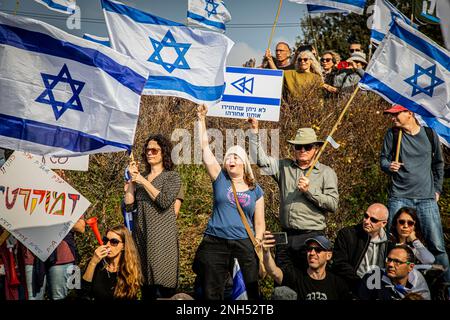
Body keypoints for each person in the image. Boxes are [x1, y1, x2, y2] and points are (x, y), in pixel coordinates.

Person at [193, 104, 265, 300]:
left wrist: (257, 241)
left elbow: (259, 222)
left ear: (243, 162)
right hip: (215, 240)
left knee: (251, 290)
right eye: (227, 157)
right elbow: (205, 147)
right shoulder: (220, 179)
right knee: (212, 292)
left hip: (244, 242)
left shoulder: (255, 189)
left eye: (235, 156)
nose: (230, 159)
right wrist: (201, 119)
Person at [248, 121, 338, 271]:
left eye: (307, 147)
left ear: (315, 149)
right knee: (283, 280)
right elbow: (260, 160)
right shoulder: (284, 166)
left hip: (312, 238)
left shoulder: (326, 172)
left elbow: (333, 204)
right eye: (298, 146)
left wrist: (309, 192)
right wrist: (254, 132)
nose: (302, 150)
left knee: (307, 281)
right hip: (285, 236)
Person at [380, 104, 450, 291]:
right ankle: (386, 287)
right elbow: (383, 160)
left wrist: (437, 190)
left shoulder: (429, 134)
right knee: (390, 241)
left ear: (409, 113)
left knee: (437, 246)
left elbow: (438, 164)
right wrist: (389, 166)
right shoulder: (393, 134)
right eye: (391, 115)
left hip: (427, 198)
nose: (392, 118)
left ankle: (445, 288)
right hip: (399, 196)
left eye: (396, 114)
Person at [125, 134, 182, 299]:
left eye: (154, 150)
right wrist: (132, 180)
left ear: (163, 153)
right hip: (142, 238)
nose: (149, 153)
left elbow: (164, 201)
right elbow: (129, 205)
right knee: (146, 289)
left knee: (162, 289)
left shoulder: (172, 177)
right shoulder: (141, 177)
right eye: (147, 150)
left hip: (162, 241)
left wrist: (142, 180)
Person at [262, 232, 351, 300]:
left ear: (328, 255)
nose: (312, 253)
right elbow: (274, 272)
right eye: (309, 249)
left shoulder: (337, 284)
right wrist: (266, 252)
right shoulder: (296, 277)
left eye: (318, 250)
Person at [23, 217, 85, 300]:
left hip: (62, 255)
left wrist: (53, 217)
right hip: (32, 253)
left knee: (59, 298)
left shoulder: (71, 203)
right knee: (33, 298)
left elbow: (81, 227)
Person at [332, 203, 389, 291]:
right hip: (352, 286)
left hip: (378, 289)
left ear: (383, 223)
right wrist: (360, 283)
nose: (367, 221)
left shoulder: (389, 242)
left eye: (373, 220)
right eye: (366, 216)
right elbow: (339, 263)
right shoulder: (348, 234)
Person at [82, 225, 142, 300]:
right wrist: (92, 263)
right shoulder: (97, 263)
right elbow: (82, 292)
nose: (107, 245)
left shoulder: (130, 268)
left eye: (114, 242)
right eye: (106, 240)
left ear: (123, 246)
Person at [357, 245, 431, 300]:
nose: (390, 264)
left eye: (397, 262)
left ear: (410, 267)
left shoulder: (417, 280)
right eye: (389, 260)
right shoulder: (373, 276)